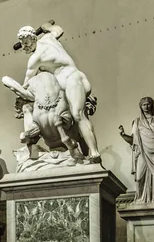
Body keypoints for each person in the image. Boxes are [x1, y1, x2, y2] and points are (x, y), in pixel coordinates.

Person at [16, 22, 101, 162]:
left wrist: (18, 90)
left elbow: (26, 84)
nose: (25, 47)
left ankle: (94, 153)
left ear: (33, 38)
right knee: (77, 116)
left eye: (26, 43)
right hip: (72, 82)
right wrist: (47, 26)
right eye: (22, 44)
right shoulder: (49, 38)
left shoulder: (34, 59)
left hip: (71, 80)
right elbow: (58, 30)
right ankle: (83, 150)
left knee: (77, 115)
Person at [119, 97, 154, 203]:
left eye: (148, 104)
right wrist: (123, 135)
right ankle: (141, 198)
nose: (146, 106)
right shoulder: (136, 122)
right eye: (143, 104)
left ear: (152, 105)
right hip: (143, 151)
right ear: (140, 106)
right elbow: (133, 140)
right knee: (139, 177)